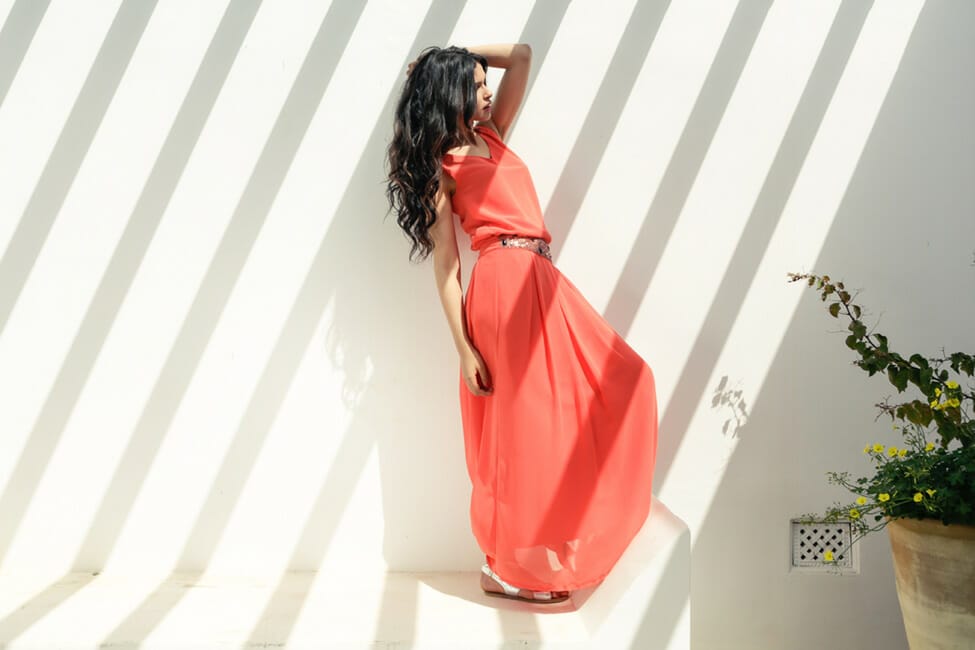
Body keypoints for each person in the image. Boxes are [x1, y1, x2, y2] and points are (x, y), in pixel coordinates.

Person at [385, 43, 658, 604]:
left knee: (626, 379)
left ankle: (535, 553)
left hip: (542, 279)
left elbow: (523, 54)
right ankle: (511, 567)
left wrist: (454, 53)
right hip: (501, 289)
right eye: (477, 84)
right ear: (454, 90)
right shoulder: (444, 167)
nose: (487, 91)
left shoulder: (494, 134)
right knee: (524, 427)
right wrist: (463, 348)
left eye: (486, 84)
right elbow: (446, 266)